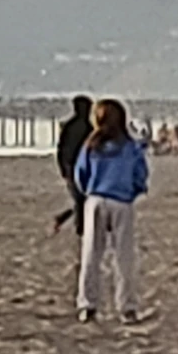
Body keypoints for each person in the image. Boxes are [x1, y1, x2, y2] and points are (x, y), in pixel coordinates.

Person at [74, 99, 148, 324]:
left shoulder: (90, 146)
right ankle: (127, 308)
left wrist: (88, 190)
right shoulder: (130, 147)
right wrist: (134, 190)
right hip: (121, 201)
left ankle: (87, 305)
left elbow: (80, 174)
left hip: (96, 199)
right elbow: (140, 174)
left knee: (91, 254)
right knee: (123, 256)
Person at [51, 95, 93, 235]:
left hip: (74, 166)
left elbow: (61, 149)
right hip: (76, 166)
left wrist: (62, 166)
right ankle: (80, 227)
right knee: (82, 198)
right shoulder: (88, 127)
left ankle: (67, 219)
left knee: (82, 198)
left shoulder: (72, 126)